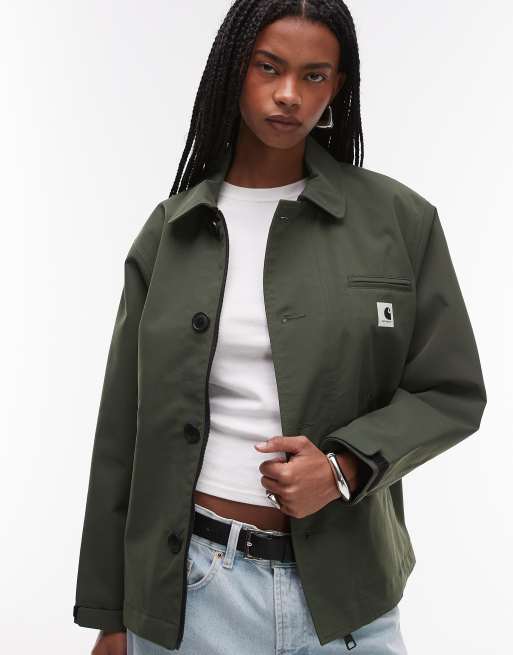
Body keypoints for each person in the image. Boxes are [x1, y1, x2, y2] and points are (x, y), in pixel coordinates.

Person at [73, 1, 487, 654]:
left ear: (336, 87)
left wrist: (344, 467)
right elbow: (121, 430)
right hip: (191, 596)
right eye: (268, 67)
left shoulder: (399, 222)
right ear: (234, 70)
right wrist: (112, 613)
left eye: (314, 75)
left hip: (349, 597)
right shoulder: (170, 233)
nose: (289, 94)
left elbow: (451, 391)